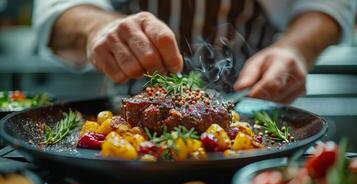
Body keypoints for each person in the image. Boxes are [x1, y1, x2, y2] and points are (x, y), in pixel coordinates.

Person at [33, 0, 354, 104]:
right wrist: (95, 27)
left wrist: (295, 47)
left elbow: (330, 3)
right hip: (119, 144)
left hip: (248, 124)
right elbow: (55, 10)